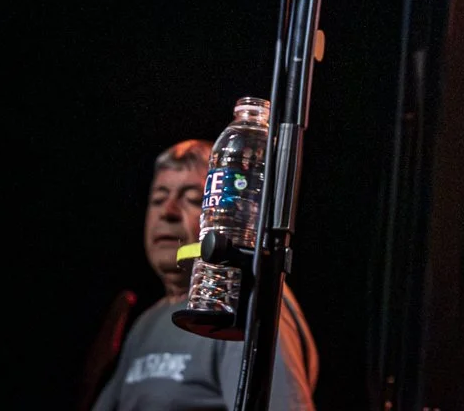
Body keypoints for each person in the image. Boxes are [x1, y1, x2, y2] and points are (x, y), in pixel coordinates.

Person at [91, 139, 319, 410]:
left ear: (228, 214)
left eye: (192, 198)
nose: (168, 212)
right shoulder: (146, 323)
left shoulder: (243, 304)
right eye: (158, 199)